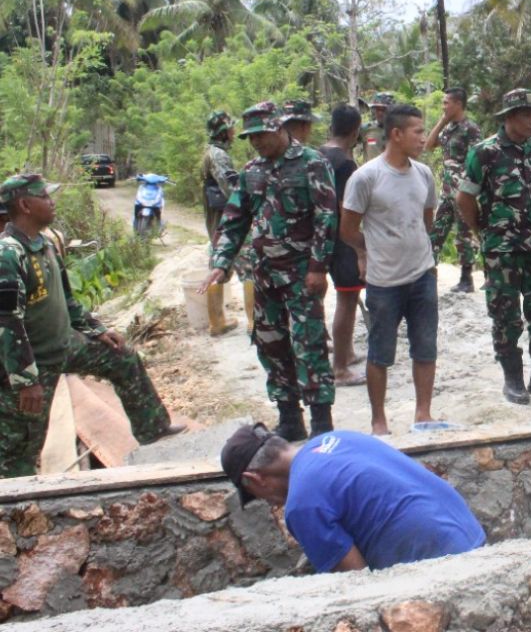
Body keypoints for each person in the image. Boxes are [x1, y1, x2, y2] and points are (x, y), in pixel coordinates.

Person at [0, 174, 183, 477]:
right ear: (25, 205)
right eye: (44, 197)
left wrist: (96, 329)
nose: (52, 202)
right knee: (21, 447)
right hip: (33, 364)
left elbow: (68, 301)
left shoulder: (44, 244)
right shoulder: (9, 255)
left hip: (65, 345)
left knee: (122, 357)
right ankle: (15, 508)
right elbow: (7, 324)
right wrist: (25, 380)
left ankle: (153, 430)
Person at [200, 102, 339, 441]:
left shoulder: (311, 163)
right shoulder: (251, 172)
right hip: (264, 277)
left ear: (279, 128)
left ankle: (321, 421)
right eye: (250, 137)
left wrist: (319, 267)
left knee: (309, 343)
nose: (256, 142)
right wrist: (221, 263)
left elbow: (326, 217)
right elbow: (234, 220)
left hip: (301, 274)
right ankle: (290, 417)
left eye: (261, 135)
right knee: (270, 344)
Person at [221, 423, 485, 572]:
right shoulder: (337, 438)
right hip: (473, 538)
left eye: (255, 496)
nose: (271, 504)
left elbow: (357, 584)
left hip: (443, 564)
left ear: (255, 478)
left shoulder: (301, 506)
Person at [457, 88, 531, 405]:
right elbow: (464, 197)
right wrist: (482, 229)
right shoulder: (485, 152)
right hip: (501, 249)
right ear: (508, 118)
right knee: (506, 313)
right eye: (526, 114)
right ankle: (513, 378)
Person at [342, 104, 439, 434]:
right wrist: (368, 251)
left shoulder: (424, 174)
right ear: (396, 134)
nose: (423, 139)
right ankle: (379, 421)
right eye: (418, 132)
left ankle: (423, 414)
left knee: (425, 347)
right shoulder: (366, 177)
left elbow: (427, 220)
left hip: (422, 275)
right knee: (380, 352)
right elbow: (347, 229)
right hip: (384, 283)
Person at [318, 104, 366, 386]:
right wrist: (361, 247)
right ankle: (340, 369)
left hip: (317, 237)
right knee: (347, 299)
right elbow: (347, 208)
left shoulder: (318, 154)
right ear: (356, 130)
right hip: (341, 238)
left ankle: (345, 351)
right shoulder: (345, 164)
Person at [425, 87, 482, 293]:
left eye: (446, 103)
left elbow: (477, 159)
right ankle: (428, 273)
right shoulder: (447, 129)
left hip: (462, 190)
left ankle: (467, 279)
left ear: (458, 104)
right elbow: (429, 145)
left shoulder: (471, 128)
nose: (444, 106)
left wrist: (470, 189)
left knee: (464, 233)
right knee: (436, 230)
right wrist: (442, 121)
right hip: (446, 189)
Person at [201, 111, 240, 337]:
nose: (234, 132)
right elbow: (230, 189)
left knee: (219, 261)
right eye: (231, 129)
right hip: (223, 216)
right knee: (245, 264)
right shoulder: (218, 156)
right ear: (224, 132)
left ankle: (217, 321)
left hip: (218, 215)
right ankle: (218, 322)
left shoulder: (212, 152)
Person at [361, 92, 394, 161]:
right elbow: (348, 142)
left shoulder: (398, 131)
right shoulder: (366, 129)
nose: (380, 113)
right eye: (377, 109)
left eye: (384, 110)